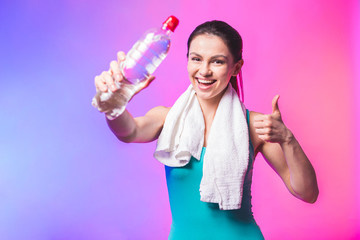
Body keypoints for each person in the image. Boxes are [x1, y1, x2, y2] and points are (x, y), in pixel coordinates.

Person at [94, 20, 319, 240]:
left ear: (235, 68)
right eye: (196, 59)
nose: (204, 71)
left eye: (217, 62)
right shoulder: (167, 118)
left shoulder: (256, 125)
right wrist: (113, 104)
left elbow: (307, 193)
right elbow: (129, 132)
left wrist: (288, 139)